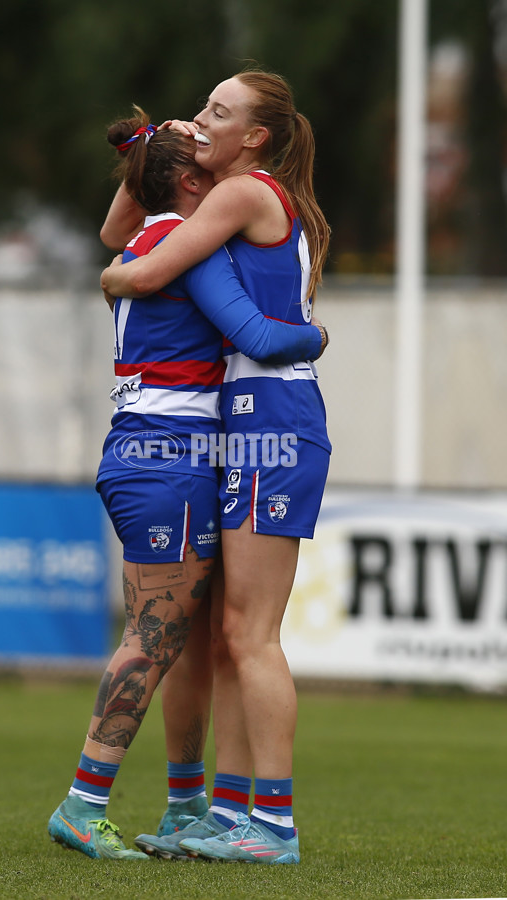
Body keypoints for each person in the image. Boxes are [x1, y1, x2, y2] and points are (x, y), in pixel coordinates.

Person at [47, 104, 327, 860]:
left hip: (165, 450)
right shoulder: (186, 245)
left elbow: (116, 245)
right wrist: (318, 332)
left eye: (219, 111)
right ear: (194, 185)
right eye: (202, 144)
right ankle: (86, 801)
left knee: (199, 639)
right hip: (169, 453)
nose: (211, 130)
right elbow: (261, 336)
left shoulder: (148, 232)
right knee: (160, 634)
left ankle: (188, 806)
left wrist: (118, 264)